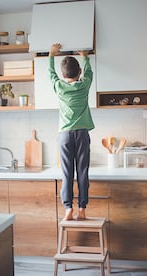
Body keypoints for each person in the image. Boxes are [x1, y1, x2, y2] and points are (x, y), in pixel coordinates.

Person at [49, 43, 94, 221]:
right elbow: (89, 73)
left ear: (63, 75)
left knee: (67, 173)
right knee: (82, 172)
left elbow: (50, 74)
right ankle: (82, 209)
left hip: (65, 135)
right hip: (82, 133)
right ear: (79, 72)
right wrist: (85, 56)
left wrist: (51, 55)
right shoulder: (84, 86)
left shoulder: (59, 87)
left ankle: (68, 208)